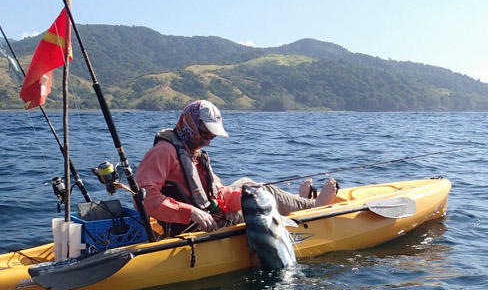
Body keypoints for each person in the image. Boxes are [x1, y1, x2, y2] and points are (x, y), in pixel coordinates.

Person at [134, 100, 337, 236]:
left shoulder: (191, 151)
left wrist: (242, 198)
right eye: (205, 135)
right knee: (264, 192)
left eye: (211, 137)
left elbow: (216, 192)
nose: (208, 143)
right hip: (201, 225)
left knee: (252, 188)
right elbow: (142, 200)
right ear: (189, 125)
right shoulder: (164, 152)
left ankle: (299, 201)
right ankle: (314, 205)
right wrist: (191, 212)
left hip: (211, 211)